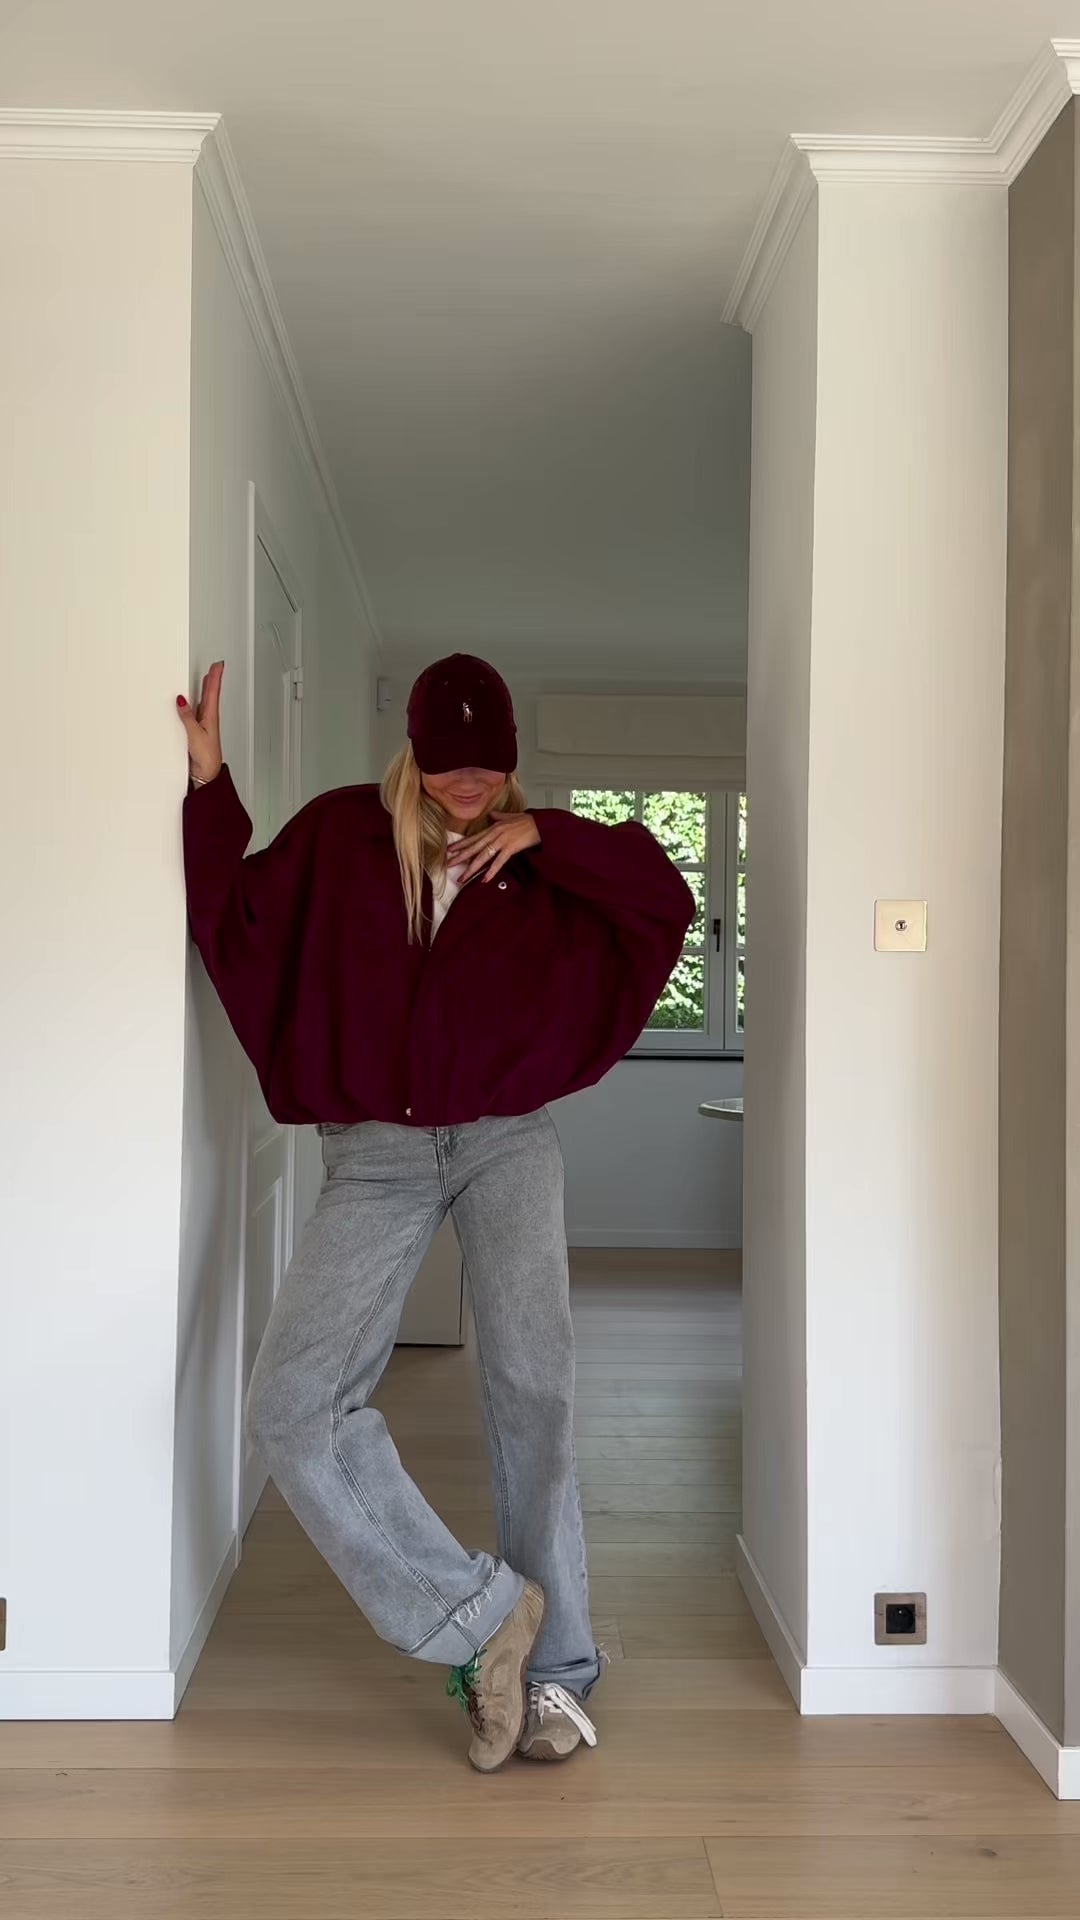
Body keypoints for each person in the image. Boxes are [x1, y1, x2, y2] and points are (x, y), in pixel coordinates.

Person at [177, 651, 694, 1772]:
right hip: (376, 1156)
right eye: (451, 762)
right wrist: (211, 787)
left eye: (490, 765)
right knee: (293, 1405)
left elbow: (665, 899)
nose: (470, 783)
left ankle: (557, 1675)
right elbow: (234, 916)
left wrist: (548, 834)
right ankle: (482, 1618)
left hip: (510, 1143)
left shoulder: (537, 858)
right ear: (412, 753)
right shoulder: (340, 837)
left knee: (534, 1395)